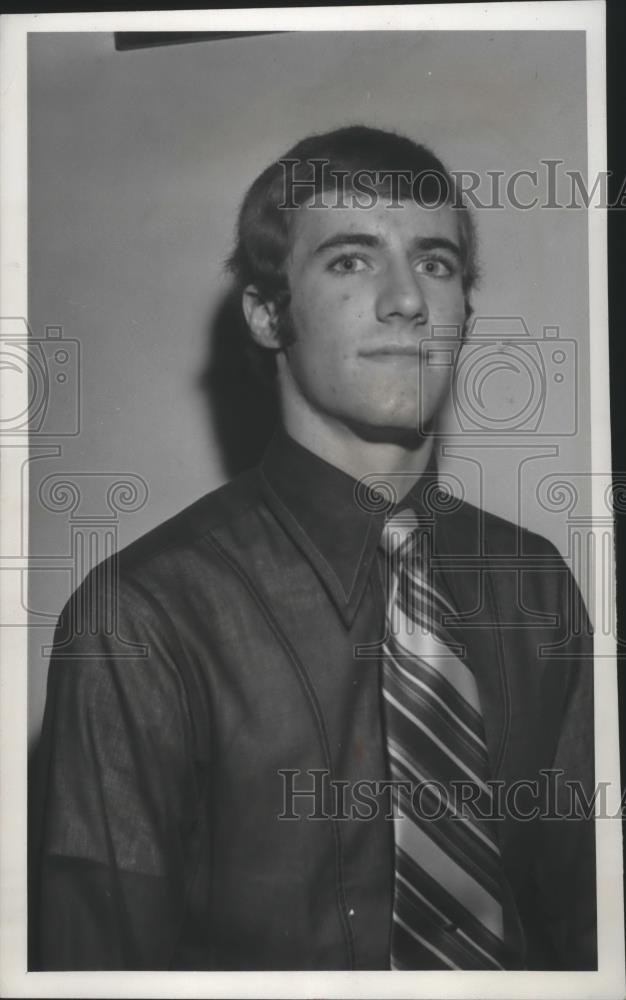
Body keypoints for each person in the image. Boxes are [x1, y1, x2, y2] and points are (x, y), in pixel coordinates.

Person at [31, 125, 596, 971]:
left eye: (436, 263)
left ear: (463, 315)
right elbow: (95, 969)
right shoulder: (136, 620)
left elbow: (586, 924)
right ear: (267, 314)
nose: (408, 300)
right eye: (352, 260)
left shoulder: (536, 583)